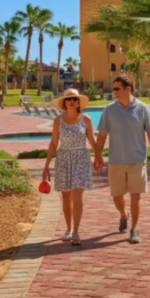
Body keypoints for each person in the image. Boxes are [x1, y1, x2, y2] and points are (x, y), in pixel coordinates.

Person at [94, 75, 150, 244]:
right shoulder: (109, 110)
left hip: (137, 160)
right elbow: (101, 136)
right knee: (117, 195)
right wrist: (98, 155)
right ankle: (124, 215)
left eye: (116, 88)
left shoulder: (143, 109)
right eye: (113, 88)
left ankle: (134, 229)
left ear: (127, 88)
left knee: (135, 195)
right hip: (116, 160)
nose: (113, 91)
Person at [42, 88, 96, 245]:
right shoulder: (58, 120)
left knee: (77, 194)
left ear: (79, 102)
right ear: (64, 103)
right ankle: (68, 228)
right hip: (63, 158)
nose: (72, 101)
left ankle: (76, 232)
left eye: (75, 99)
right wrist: (46, 165)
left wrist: (98, 156)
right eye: (69, 99)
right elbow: (53, 143)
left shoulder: (86, 119)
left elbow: (92, 140)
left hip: (81, 157)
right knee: (66, 197)